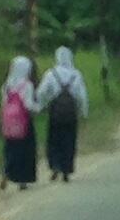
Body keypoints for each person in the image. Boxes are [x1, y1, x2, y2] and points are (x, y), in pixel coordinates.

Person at [37, 46, 89, 183]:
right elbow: (82, 96)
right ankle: (66, 170)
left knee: (54, 140)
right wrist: (83, 112)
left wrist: (42, 105)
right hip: (71, 115)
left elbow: (42, 92)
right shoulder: (76, 74)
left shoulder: (51, 73)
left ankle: (55, 166)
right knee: (69, 140)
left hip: (55, 114)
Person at [0, 56, 41, 191]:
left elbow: (4, 103)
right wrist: (38, 108)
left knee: (10, 148)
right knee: (25, 150)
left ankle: (6, 171)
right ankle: (22, 180)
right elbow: (28, 105)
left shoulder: (7, 85)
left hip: (9, 122)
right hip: (24, 122)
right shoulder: (27, 85)